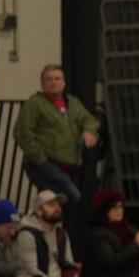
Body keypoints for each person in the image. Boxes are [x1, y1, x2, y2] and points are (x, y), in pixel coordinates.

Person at [13, 65, 101, 236]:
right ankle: (46, 232)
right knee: (71, 196)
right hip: (45, 164)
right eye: (49, 79)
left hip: (69, 167)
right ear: (42, 83)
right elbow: (22, 133)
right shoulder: (35, 104)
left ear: (63, 83)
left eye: (57, 79)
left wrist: (89, 131)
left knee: (51, 203)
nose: (53, 82)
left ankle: (51, 236)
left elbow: (89, 119)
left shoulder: (72, 103)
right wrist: (40, 158)